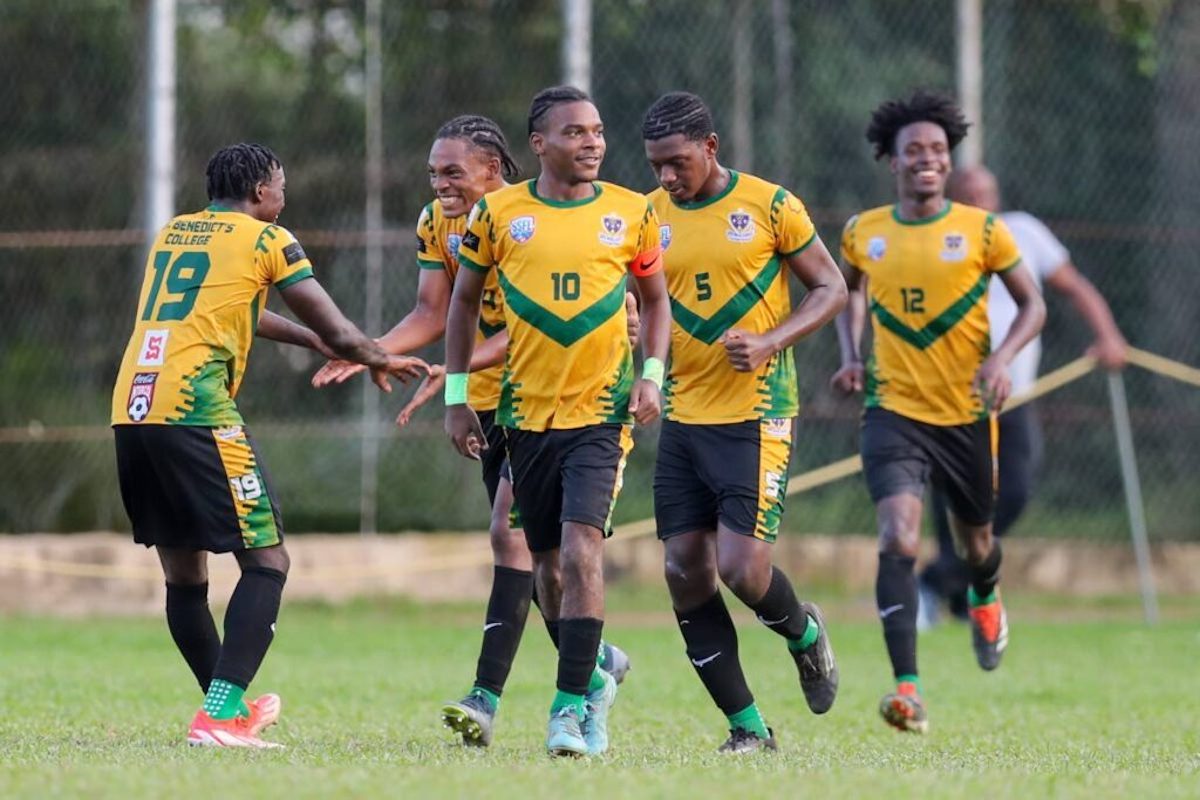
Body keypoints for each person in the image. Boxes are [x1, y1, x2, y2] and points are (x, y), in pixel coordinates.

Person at [310, 115, 632, 748]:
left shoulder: (536, 220)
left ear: (494, 169)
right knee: (540, 561)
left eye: (452, 172)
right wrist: (373, 351)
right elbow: (434, 311)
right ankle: (594, 667)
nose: (440, 185)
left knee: (510, 538)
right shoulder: (439, 225)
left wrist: (451, 368)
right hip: (485, 401)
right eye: (433, 174)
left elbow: (539, 324)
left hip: (550, 396)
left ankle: (486, 698)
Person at [110, 143, 427, 748]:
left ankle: (226, 712)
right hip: (195, 410)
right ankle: (217, 715)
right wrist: (376, 355)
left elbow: (238, 312)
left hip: (134, 406)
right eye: (281, 186)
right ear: (261, 192)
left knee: (184, 574)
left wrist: (317, 343)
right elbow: (337, 326)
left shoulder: (176, 233)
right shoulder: (268, 240)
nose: (285, 196)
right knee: (268, 560)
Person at [444, 86, 671, 757]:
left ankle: (568, 713)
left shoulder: (632, 213)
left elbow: (655, 302)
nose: (592, 142)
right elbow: (462, 305)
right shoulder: (498, 215)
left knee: (581, 549)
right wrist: (458, 396)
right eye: (574, 132)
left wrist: (651, 377)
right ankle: (596, 677)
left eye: (598, 131)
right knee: (544, 570)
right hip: (523, 417)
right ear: (539, 144)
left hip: (602, 415)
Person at [831, 91, 1046, 734]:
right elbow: (848, 293)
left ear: (948, 162)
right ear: (890, 161)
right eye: (913, 151)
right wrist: (851, 353)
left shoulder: (983, 230)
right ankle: (907, 689)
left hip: (966, 413)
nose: (927, 160)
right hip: (892, 410)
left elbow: (1034, 306)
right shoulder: (864, 231)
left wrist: (1002, 358)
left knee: (977, 543)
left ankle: (985, 594)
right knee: (897, 535)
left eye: (937, 151)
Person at [641, 91, 845, 753]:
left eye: (677, 162)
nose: (667, 177)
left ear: (711, 147)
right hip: (682, 416)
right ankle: (748, 730)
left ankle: (805, 636)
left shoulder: (771, 206)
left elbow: (831, 289)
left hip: (757, 416)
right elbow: (637, 305)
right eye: (656, 166)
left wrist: (772, 340)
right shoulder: (647, 217)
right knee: (682, 569)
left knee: (741, 569)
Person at [917, 164, 1129, 626]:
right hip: (947, 398)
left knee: (1013, 491)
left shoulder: (1024, 232)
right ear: (952, 199)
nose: (980, 201)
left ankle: (937, 581)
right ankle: (958, 597)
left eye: (986, 192)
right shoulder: (933, 238)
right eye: (969, 194)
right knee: (950, 498)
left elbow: (1074, 288)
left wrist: (1108, 336)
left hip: (1012, 395)